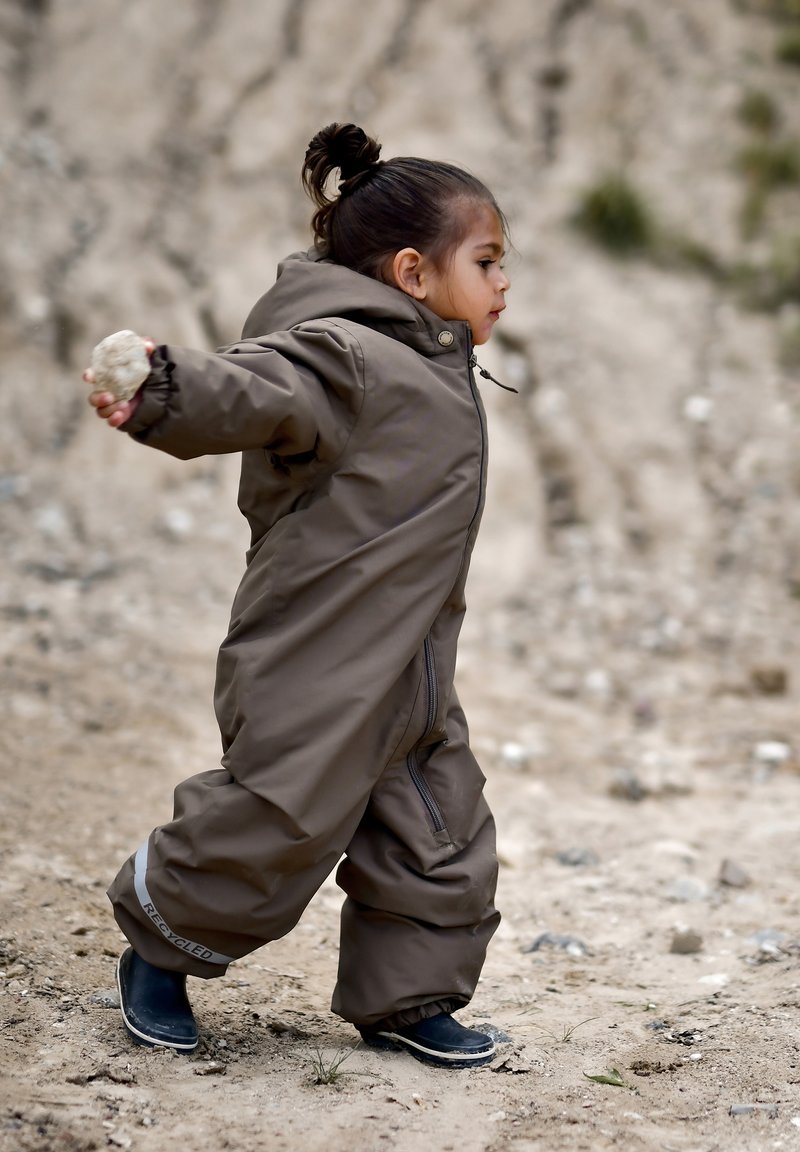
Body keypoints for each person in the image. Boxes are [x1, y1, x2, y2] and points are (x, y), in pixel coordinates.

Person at [85, 123, 511, 1069]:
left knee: (438, 833)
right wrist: (162, 388)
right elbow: (253, 388)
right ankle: (158, 950)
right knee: (276, 817)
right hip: (314, 661)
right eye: (487, 261)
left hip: (409, 668)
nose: (503, 282)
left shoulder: (436, 363)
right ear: (412, 272)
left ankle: (408, 999)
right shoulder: (344, 356)